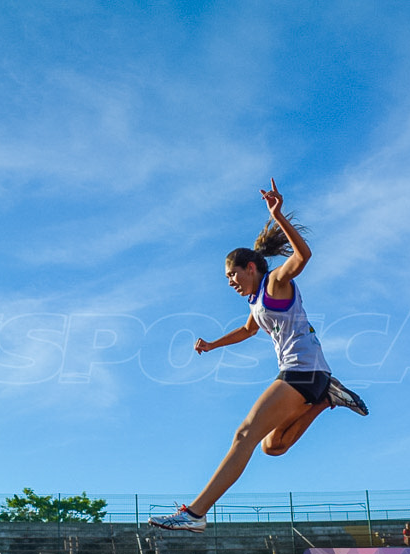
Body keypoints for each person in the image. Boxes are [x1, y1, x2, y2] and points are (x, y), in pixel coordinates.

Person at [149, 179, 368, 533]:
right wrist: (212, 345)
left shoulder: (274, 283)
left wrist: (278, 215)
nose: (230, 282)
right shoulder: (256, 301)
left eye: (232, 273)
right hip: (311, 377)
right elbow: (249, 330)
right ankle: (326, 400)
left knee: (244, 435)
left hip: (302, 371)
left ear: (251, 266)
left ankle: (196, 512)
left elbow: (303, 256)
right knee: (272, 446)